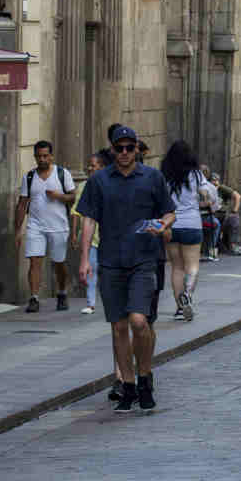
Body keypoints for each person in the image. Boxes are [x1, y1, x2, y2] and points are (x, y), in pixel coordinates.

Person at [78, 125, 175, 413]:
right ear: (112, 150)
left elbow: (169, 211)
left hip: (144, 259)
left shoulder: (152, 178)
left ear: (137, 149)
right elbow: (88, 220)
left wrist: (164, 224)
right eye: (118, 148)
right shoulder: (99, 181)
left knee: (138, 321)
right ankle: (128, 386)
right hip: (110, 261)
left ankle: (145, 377)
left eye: (129, 148)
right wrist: (84, 259)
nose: (124, 153)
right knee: (119, 326)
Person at [13, 140, 77, 314]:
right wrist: (18, 230)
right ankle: (34, 298)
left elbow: (73, 197)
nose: (42, 159)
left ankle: (62, 292)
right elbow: (22, 204)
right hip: (36, 226)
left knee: (59, 263)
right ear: (34, 157)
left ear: (51, 156)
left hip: (58, 226)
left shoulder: (62, 174)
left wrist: (59, 196)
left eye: (45, 156)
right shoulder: (29, 177)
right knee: (34, 261)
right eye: (38, 156)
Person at [160, 140, 213, 322]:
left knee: (176, 267)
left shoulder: (165, 175)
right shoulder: (196, 174)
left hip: (172, 223)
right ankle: (188, 296)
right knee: (192, 265)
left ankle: (180, 308)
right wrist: (204, 198)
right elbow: (208, 192)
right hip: (192, 223)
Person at [71, 152, 109, 314]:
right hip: (91, 238)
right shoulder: (82, 187)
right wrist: (73, 233)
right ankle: (91, 303)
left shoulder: (110, 185)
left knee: (107, 272)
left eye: (93, 165)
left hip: (107, 238)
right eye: (89, 165)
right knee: (91, 270)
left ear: (102, 167)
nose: (89, 168)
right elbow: (76, 212)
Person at [211, 173, 241, 258]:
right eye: (212, 180)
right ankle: (213, 247)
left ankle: (232, 246)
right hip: (212, 215)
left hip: (223, 214)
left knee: (234, 219)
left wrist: (234, 211)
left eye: (216, 180)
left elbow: (238, 196)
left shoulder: (222, 189)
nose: (215, 183)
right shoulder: (207, 189)